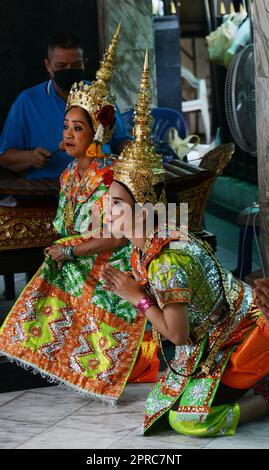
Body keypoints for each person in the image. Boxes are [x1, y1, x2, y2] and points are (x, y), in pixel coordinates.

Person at [101, 52, 269, 436]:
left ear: (144, 209)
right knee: (160, 403)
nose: (106, 212)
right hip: (208, 345)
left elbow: (176, 335)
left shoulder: (166, 261)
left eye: (115, 205)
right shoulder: (149, 243)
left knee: (187, 419)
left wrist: (136, 296)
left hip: (242, 340)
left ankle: (265, 395)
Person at [0, 36, 159, 404]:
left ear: (97, 133)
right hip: (87, 248)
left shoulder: (109, 175)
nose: (68, 135)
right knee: (51, 266)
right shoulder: (70, 173)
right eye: (66, 126)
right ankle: (61, 359)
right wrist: (66, 247)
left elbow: (120, 237)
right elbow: (67, 226)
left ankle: (102, 363)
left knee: (67, 267)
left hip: (115, 254)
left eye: (78, 128)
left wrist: (73, 252)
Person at [0, 29, 130, 180]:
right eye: (61, 66)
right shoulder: (27, 101)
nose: (69, 70)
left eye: (75, 65)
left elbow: (121, 141)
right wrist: (30, 158)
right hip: (46, 192)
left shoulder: (100, 96)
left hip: (98, 187)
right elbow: (4, 157)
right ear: (48, 66)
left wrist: (138, 153)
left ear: (84, 63)